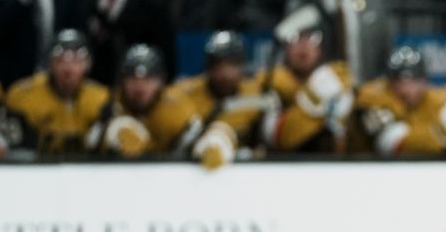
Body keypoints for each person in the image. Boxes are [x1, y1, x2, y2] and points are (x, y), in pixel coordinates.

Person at [167, 31, 267, 169]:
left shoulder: (256, 95)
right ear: (208, 67)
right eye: (218, 65)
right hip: (194, 168)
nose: (225, 73)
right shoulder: (186, 94)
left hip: (243, 171)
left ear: (242, 66)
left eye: (231, 65)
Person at [3, 28, 107, 156]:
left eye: (76, 61)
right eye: (60, 60)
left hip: (87, 171)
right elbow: (16, 150)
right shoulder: (23, 95)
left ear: (88, 65)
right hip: (35, 169)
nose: (68, 69)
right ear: (50, 64)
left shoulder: (101, 99)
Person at [93, 43, 202, 158]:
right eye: (132, 79)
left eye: (149, 80)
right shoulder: (107, 105)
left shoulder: (176, 109)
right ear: (122, 82)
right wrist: (105, 133)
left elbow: (192, 148)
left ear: (161, 82)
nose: (140, 88)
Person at [258, 27, 354, 154]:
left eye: (312, 39)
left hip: (329, 166)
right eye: (296, 38)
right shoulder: (269, 82)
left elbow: (343, 141)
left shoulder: (335, 81)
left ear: (321, 50)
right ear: (286, 48)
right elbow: (274, 138)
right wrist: (312, 99)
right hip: (282, 166)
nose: (303, 46)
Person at [351, 45, 446, 156]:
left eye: (414, 80)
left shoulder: (437, 102)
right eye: (399, 81)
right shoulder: (373, 100)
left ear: (424, 81)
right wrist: (442, 138)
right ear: (388, 82)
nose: (405, 89)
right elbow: (393, 143)